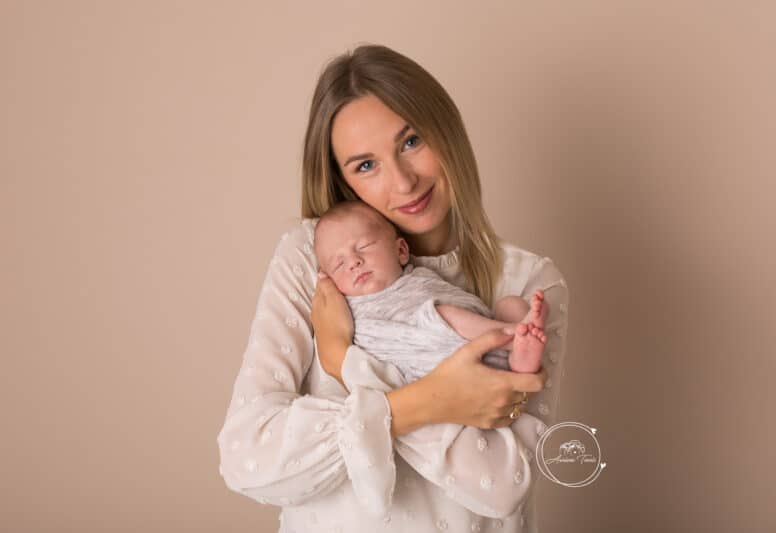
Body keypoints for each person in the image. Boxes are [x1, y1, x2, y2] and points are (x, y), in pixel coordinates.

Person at [217, 44, 570, 533]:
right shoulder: (313, 261)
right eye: (366, 165)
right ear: (342, 181)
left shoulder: (526, 284)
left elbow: (507, 485)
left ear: (445, 130)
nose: (403, 182)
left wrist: (344, 363)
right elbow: (247, 455)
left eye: (410, 142)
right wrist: (430, 402)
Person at [313, 199, 550, 381]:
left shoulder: (418, 280)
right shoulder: (352, 309)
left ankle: (521, 357)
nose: (354, 262)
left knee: (511, 304)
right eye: (339, 264)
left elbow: (451, 299)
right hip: (435, 373)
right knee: (437, 313)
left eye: (364, 247)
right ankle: (510, 336)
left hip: (482, 350)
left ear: (401, 251)